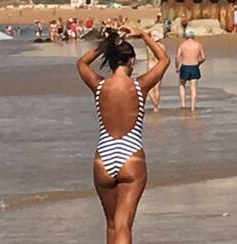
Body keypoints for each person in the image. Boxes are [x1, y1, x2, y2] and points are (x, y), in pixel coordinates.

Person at [75, 25, 168, 244]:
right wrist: (144, 35)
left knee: (111, 224)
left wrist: (107, 44)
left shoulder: (99, 86)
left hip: (103, 157)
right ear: (131, 62)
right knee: (124, 224)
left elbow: (81, 63)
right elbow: (163, 60)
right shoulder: (139, 86)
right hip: (130, 155)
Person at [175, 28, 206, 111]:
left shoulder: (182, 45)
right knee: (193, 88)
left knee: (182, 85)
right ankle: (192, 107)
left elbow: (177, 58)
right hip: (194, 66)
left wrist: (177, 67)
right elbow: (203, 57)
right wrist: (198, 63)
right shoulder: (198, 45)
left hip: (185, 66)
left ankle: (183, 104)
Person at [146, 30, 164, 111]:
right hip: (159, 67)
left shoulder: (149, 46)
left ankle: (155, 105)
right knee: (157, 88)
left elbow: (145, 35)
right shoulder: (162, 46)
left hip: (151, 67)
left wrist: (150, 34)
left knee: (149, 89)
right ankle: (156, 106)